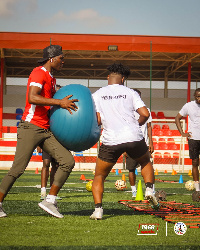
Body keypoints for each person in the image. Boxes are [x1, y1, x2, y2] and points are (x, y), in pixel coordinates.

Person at [0, 45, 78, 218]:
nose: (63, 61)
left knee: (67, 161)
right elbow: (32, 97)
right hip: (30, 127)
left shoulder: (51, 77)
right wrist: (60, 103)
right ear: (52, 58)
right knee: (17, 169)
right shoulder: (39, 72)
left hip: (45, 130)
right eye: (61, 58)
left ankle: (49, 200)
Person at [91, 63, 159, 220]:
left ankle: (98, 210)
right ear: (123, 79)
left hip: (111, 139)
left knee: (99, 176)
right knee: (145, 161)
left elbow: (98, 119)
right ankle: (149, 190)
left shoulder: (98, 94)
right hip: (133, 137)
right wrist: (137, 124)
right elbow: (145, 113)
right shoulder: (130, 92)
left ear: (108, 77)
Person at [125, 89, 155, 198]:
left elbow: (149, 126)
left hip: (144, 143)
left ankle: (151, 189)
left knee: (148, 165)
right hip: (130, 144)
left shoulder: (146, 110)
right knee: (131, 169)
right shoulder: (126, 111)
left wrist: (151, 142)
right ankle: (134, 191)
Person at [37, 84, 62, 200]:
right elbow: (42, 124)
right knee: (46, 164)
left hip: (59, 141)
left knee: (56, 166)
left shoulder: (63, 110)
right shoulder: (47, 108)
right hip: (47, 138)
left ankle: (52, 192)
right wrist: (39, 143)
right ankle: (43, 191)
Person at [175, 88, 200, 192]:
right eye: (198, 96)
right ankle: (197, 189)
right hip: (193, 138)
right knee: (195, 162)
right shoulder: (189, 106)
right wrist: (182, 133)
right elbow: (177, 118)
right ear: (194, 96)